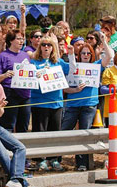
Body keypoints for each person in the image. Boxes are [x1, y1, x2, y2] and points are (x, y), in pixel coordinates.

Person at [62, 33, 113, 171]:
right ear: (79, 55)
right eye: (83, 53)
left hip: (89, 105)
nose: (85, 55)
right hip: (72, 105)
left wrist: (103, 41)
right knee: (63, 131)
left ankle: (82, 163)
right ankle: (55, 159)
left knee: (85, 135)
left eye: (88, 53)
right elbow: (65, 88)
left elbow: (109, 57)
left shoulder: (96, 65)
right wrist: (76, 90)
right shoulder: (72, 65)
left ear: (91, 55)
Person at [30, 36, 76, 171]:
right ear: (40, 47)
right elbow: (28, 79)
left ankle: (54, 159)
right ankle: (40, 160)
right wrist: (35, 76)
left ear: (52, 48)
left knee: (55, 132)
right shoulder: (34, 62)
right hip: (39, 102)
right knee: (40, 132)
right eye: (43, 45)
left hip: (56, 102)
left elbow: (72, 70)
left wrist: (72, 55)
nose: (46, 47)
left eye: (49, 45)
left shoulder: (58, 62)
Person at [0, 29, 31, 133]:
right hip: (10, 93)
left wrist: (35, 75)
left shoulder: (25, 55)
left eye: (23, 39)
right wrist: (5, 75)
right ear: (11, 40)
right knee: (8, 125)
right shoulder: (2, 56)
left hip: (25, 94)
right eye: (19, 39)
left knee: (24, 124)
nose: (21, 41)